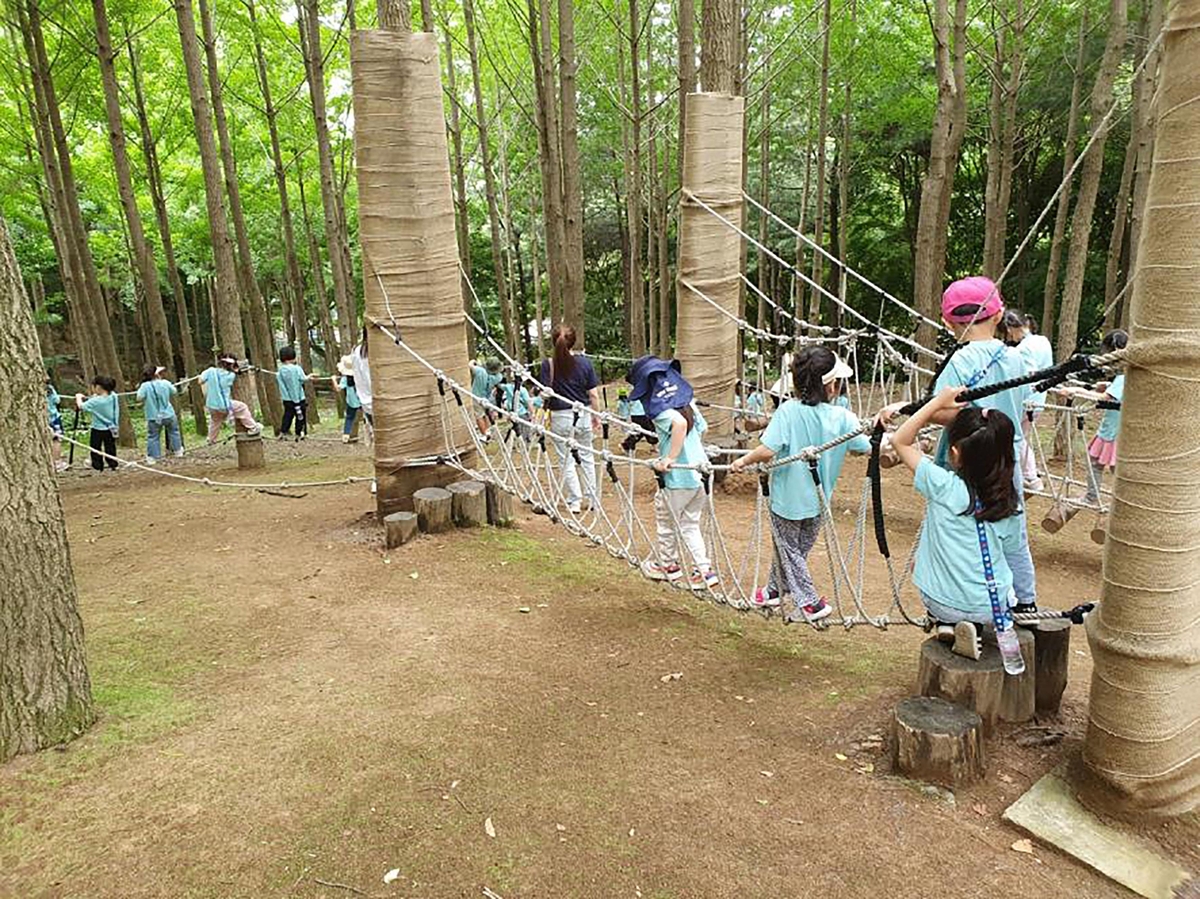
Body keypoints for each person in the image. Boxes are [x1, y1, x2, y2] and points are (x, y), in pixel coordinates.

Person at [881, 276, 1038, 615]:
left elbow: (948, 412)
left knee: (959, 524)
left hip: (968, 456)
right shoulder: (1015, 360)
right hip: (1006, 457)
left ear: (947, 322)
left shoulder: (962, 360)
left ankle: (952, 599)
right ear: (999, 317)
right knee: (1010, 526)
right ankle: (1025, 600)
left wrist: (911, 410)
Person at [730, 348, 869, 622]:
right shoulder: (843, 417)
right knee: (795, 550)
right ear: (831, 385)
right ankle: (773, 590)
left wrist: (743, 461)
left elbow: (767, 450)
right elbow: (863, 446)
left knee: (789, 550)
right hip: (818, 501)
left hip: (787, 501)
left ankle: (810, 602)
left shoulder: (788, 411)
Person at [891, 387, 1026, 660]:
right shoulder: (1010, 505)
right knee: (994, 575)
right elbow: (1012, 550)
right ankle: (970, 625)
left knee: (934, 572)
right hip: (992, 606)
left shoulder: (942, 485)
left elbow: (900, 441)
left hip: (942, 602)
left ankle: (947, 622)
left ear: (954, 453)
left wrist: (937, 402)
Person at [627, 356, 718, 591]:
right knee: (690, 524)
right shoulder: (688, 403)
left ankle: (667, 564)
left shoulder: (662, 410)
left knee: (666, 521)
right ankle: (704, 570)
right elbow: (702, 428)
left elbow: (678, 425)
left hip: (678, 478)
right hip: (700, 474)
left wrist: (670, 457)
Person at [1043, 329, 1128, 543]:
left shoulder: (1126, 376)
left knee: (1117, 471)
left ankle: (1115, 505)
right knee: (1095, 463)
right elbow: (1108, 390)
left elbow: (1103, 397)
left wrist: (1074, 392)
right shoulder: (1124, 376)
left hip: (1117, 434)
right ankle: (1093, 497)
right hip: (1110, 432)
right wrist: (1094, 386)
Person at [537, 324, 601, 514]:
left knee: (566, 460)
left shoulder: (548, 365)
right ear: (574, 341)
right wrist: (596, 416)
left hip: (560, 417)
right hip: (583, 414)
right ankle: (592, 500)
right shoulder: (585, 363)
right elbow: (593, 394)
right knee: (587, 458)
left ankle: (574, 501)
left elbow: (544, 392)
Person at [1010, 312, 1054, 492]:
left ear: (1013, 328)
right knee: (1021, 436)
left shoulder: (1024, 348)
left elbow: (1028, 375)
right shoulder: (1043, 340)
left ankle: (1030, 477)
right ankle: (1026, 474)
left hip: (1025, 400)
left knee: (1015, 437)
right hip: (1039, 400)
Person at [199, 353, 262, 443]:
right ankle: (253, 427)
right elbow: (235, 372)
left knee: (215, 421)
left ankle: (211, 439)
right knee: (242, 407)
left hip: (211, 405)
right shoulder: (230, 376)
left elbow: (200, 380)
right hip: (223, 405)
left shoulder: (210, 371)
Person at [136, 364, 183, 464]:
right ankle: (178, 451)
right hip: (169, 414)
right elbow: (174, 391)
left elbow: (139, 397)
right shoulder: (165, 383)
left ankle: (154, 457)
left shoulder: (145, 386)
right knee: (174, 431)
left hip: (153, 416)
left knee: (153, 436)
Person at [75, 375, 120, 472]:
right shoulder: (113, 396)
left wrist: (78, 397)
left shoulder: (96, 401)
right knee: (110, 447)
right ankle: (113, 464)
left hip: (97, 428)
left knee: (95, 447)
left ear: (98, 387)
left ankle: (98, 465)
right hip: (111, 427)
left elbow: (81, 406)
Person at [276, 346, 311, 440]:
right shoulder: (297, 368)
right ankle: (299, 433)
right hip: (299, 398)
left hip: (287, 399)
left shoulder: (280, 371)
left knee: (288, 415)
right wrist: (310, 376)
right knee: (300, 415)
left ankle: (283, 432)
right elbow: (303, 378)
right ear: (293, 357)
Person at [469, 358, 503, 438]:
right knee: (486, 414)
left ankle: (484, 434)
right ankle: (488, 431)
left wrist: (473, 361)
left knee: (479, 416)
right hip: (487, 398)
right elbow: (499, 374)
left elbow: (470, 365)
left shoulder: (480, 371)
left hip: (476, 397)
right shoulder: (498, 377)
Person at [332, 354, 363, 443]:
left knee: (349, 418)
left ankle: (346, 436)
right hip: (362, 400)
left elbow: (338, 388)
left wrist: (333, 380)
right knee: (367, 418)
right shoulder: (360, 376)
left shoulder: (345, 378)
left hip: (352, 402)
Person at [46, 378, 67, 471]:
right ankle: (56, 462)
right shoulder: (49, 388)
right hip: (53, 419)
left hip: (45, 418)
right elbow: (57, 400)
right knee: (56, 440)